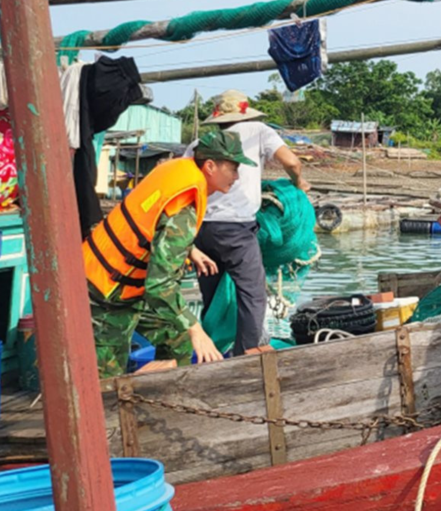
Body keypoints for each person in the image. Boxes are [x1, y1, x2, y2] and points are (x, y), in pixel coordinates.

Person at [84, 131, 255, 378]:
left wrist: (191, 250)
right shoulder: (184, 208)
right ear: (210, 166)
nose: (237, 177)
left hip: (121, 284)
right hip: (106, 292)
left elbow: (152, 225)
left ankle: (158, 392)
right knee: (107, 378)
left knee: (179, 340)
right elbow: (160, 285)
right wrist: (196, 328)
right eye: (233, 168)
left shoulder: (177, 170)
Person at [188, 90, 311, 354]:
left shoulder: (201, 142)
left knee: (213, 294)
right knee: (252, 294)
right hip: (236, 229)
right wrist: (298, 183)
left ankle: (213, 350)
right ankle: (248, 355)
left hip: (200, 230)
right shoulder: (258, 129)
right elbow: (292, 163)